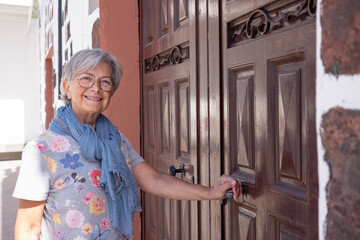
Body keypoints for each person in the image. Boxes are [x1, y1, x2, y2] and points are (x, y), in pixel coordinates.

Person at [13, 49, 241, 240]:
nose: (96, 88)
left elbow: (155, 180)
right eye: (86, 79)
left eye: (105, 82)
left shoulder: (115, 140)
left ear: (112, 91)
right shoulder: (41, 150)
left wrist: (211, 192)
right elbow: (28, 228)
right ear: (67, 87)